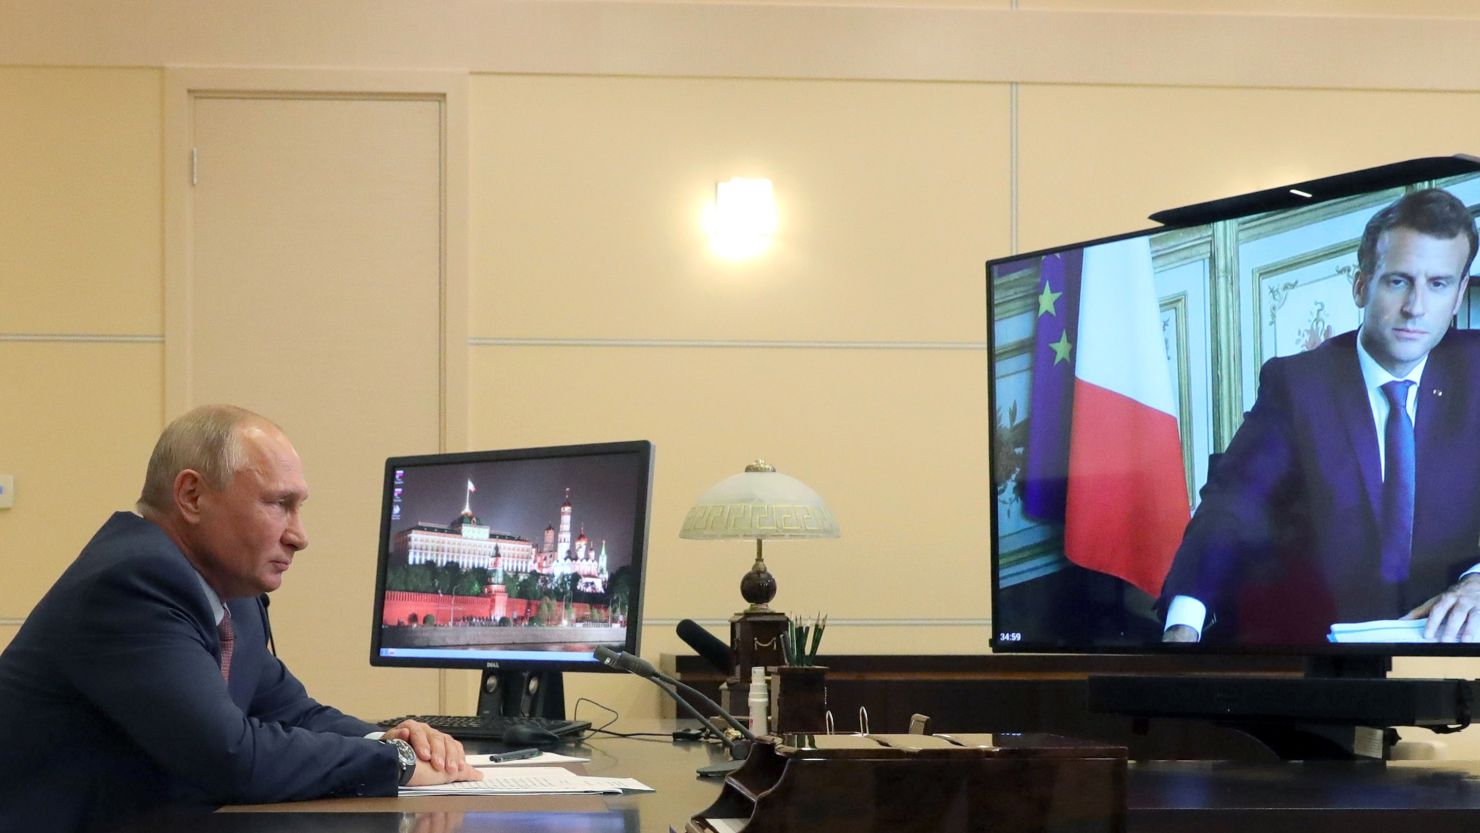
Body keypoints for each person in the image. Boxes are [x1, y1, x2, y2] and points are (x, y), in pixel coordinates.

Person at [0, 405, 482, 832]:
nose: (300, 536)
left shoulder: (229, 593)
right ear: (191, 496)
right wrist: (391, 762)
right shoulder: (132, 583)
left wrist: (391, 737)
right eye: (279, 504)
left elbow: (292, 711)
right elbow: (230, 755)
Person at [1161, 188, 1480, 644]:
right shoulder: (1298, 385)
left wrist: (1477, 582)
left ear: (1458, 294)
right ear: (1360, 285)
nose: (1416, 307)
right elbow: (1232, 508)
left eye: (1438, 284)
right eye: (1398, 281)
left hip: (1447, 648)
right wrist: (1184, 624)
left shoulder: (1477, 373)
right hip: (1324, 654)